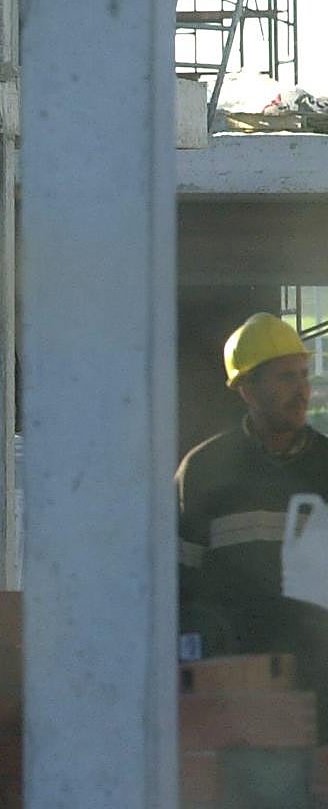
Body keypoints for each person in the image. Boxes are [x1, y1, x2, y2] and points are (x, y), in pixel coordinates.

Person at [177, 311, 328, 733]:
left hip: (319, 689)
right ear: (247, 389)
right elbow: (177, 587)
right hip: (234, 692)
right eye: (284, 378)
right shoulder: (204, 470)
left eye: (303, 375)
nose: (301, 391)